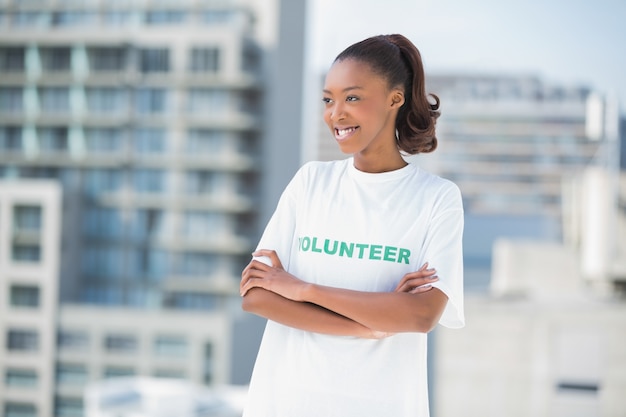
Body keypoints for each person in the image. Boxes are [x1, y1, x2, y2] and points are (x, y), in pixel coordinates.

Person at [239, 34, 464, 417]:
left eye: (353, 97)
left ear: (395, 99)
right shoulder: (310, 182)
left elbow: (421, 315)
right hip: (285, 403)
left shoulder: (436, 198)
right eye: (329, 99)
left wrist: (301, 288)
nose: (335, 113)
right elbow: (256, 295)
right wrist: (369, 324)